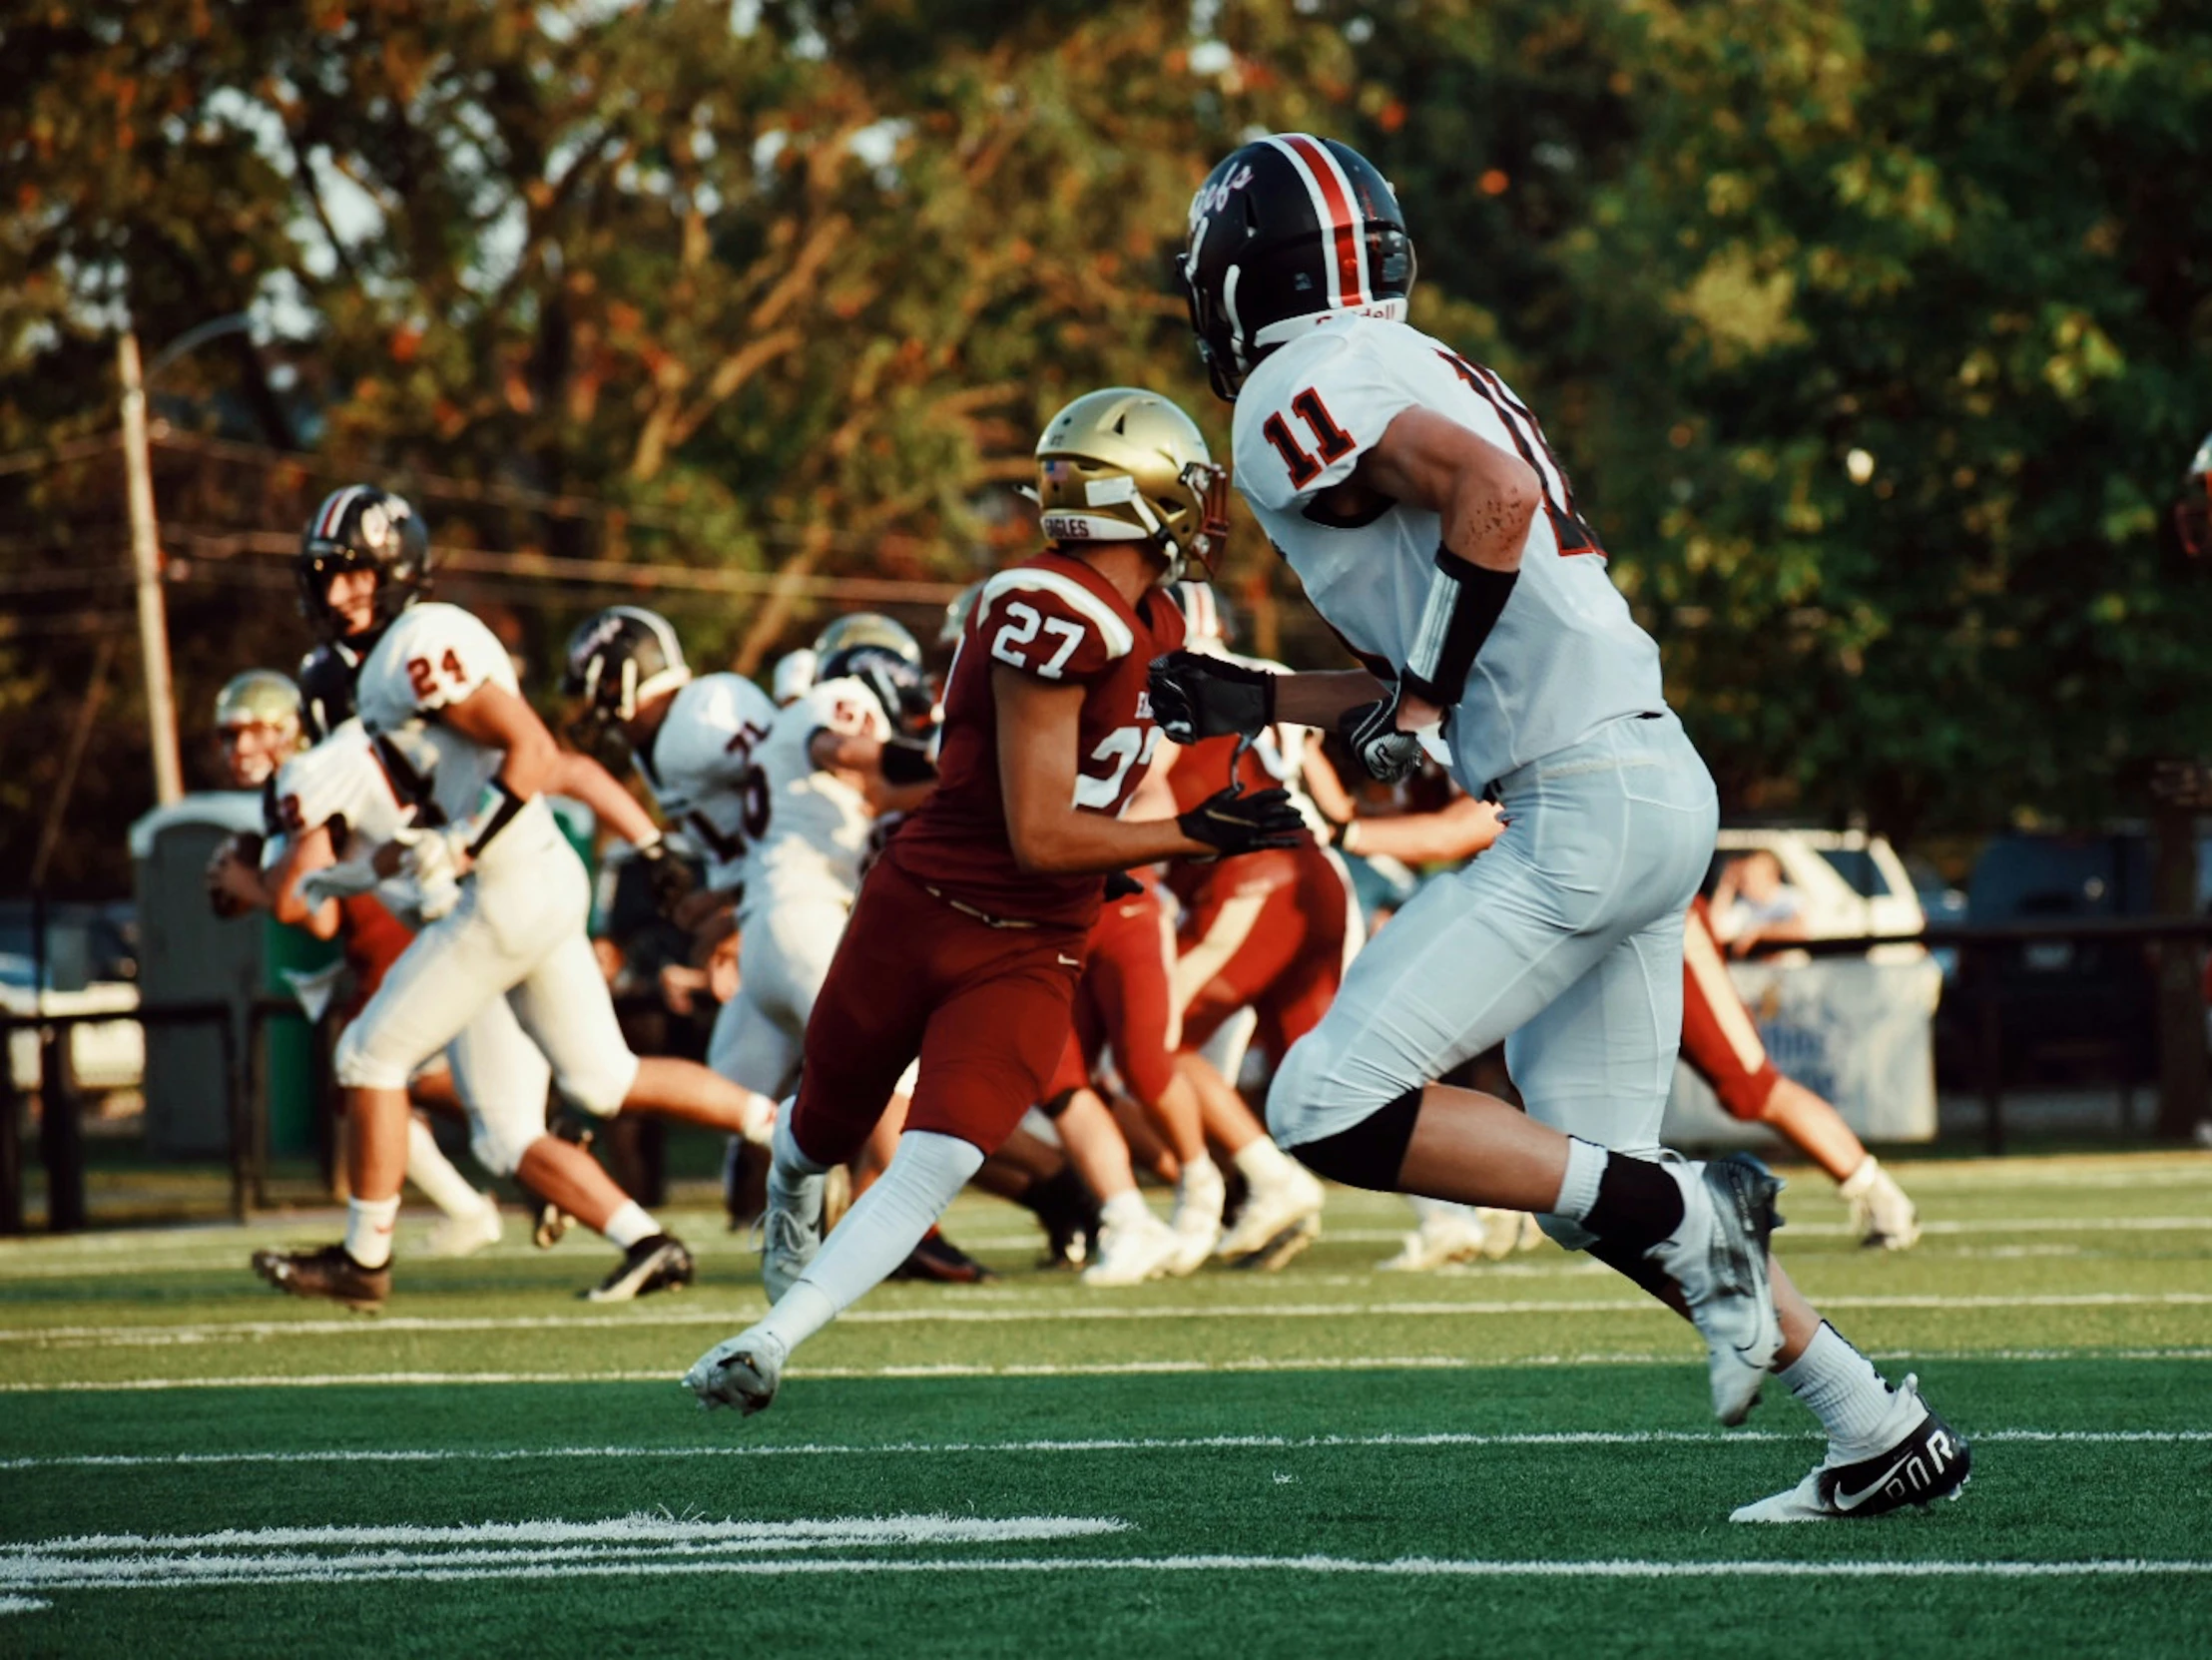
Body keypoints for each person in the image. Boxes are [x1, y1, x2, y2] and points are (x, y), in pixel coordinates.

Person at [1152, 135, 1967, 1521]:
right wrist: (1281, 692)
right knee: (1600, 1183)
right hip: (1637, 775)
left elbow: (1494, 499)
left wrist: (1419, 690)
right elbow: (1483, 583)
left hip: (1582, 801)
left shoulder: (1301, 378)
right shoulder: (1409, 361)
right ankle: (1877, 1424)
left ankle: (1710, 1211)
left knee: (1320, 1097)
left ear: (1246, 273)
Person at [683, 387, 1306, 1414]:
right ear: (1148, 496)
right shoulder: (1042, 603)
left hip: (1037, 941)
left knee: (938, 1152)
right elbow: (1042, 834)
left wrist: (1407, 696)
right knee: (821, 1130)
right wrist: (1191, 834)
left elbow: (1264, 695)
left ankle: (769, 1340)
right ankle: (791, 1184)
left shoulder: (1153, 618)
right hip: (922, 905)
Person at [249, 485, 763, 1308]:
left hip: (504, 885)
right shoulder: (385, 680)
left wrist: (465, 841)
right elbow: (398, 838)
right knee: (597, 1080)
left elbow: (531, 746)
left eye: (356, 574)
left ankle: (364, 1258)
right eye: (327, 576)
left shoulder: (417, 643)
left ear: (398, 570)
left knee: (367, 1055)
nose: (339, 592)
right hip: (528, 880)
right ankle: (786, 1133)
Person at [1710, 849, 1809, 958]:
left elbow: (1800, 930)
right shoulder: (1745, 906)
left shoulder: (1792, 898)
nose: (1746, 882)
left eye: (1753, 875)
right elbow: (1719, 930)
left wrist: (1760, 932)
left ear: (1771, 875)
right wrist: (1727, 884)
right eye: (1744, 876)